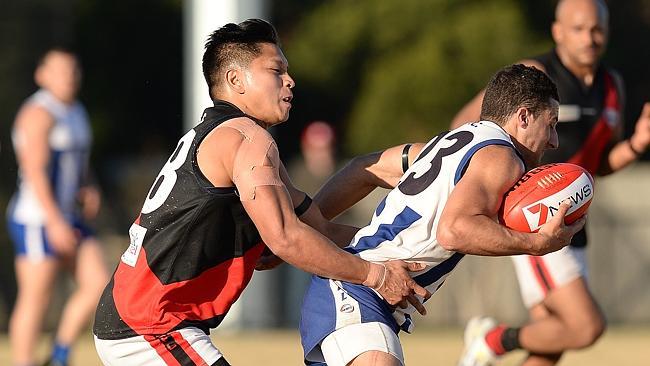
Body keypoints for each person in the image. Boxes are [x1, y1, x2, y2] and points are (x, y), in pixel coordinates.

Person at [92, 19, 429, 366]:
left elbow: (319, 230)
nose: (290, 81)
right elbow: (285, 238)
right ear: (235, 80)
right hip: (150, 325)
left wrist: (400, 247)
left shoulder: (231, 136)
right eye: (276, 70)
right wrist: (376, 275)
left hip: (148, 319)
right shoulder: (247, 138)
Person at [299, 64, 587, 366]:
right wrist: (536, 243)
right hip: (360, 293)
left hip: (352, 291)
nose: (554, 140)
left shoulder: (451, 142)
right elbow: (454, 230)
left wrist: (310, 222)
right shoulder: (502, 158)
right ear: (524, 116)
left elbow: (365, 168)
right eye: (551, 124)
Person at [451, 1, 650, 365]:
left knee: (552, 343)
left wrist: (637, 143)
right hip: (536, 217)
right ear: (557, 31)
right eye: (578, 28)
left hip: (573, 222)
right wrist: (500, 178)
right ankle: (494, 339)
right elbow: (464, 126)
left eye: (597, 29)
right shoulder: (535, 75)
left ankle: (497, 339)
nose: (589, 38)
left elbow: (599, 165)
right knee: (586, 326)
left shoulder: (612, 86)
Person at [6, 48, 110, 366]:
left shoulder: (75, 110)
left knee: (99, 284)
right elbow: (35, 172)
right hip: (38, 218)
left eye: (74, 70)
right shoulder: (38, 113)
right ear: (42, 75)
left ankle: (59, 352)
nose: (70, 77)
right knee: (36, 297)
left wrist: (89, 185)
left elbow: (77, 161)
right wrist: (53, 221)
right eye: (61, 70)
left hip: (69, 215)